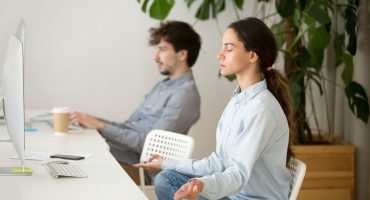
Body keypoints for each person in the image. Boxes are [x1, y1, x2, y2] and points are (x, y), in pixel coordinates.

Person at [134, 17, 296, 199]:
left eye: (229, 48)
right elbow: (217, 163)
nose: (220, 55)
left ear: (252, 55)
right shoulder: (237, 101)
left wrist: (203, 185)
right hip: (233, 194)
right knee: (166, 178)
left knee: (167, 182)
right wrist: (166, 163)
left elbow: (238, 175)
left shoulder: (262, 110)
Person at [70, 21, 202, 184]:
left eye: (162, 49)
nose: (155, 56)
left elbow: (152, 147)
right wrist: (92, 121)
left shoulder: (185, 96)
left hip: (139, 169)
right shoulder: (163, 86)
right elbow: (129, 126)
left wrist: (100, 126)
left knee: (81, 165)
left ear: (182, 54)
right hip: (121, 155)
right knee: (72, 150)